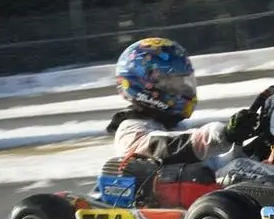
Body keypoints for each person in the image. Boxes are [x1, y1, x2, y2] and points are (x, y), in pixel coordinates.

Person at [105, 37, 258, 168]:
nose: (183, 88)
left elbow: (213, 167)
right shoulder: (130, 130)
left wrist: (252, 151)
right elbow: (167, 148)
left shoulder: (175, 126)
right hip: (153, 200)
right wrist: (222, 134)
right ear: (146, 85)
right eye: (173, 82)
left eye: (183, 80)